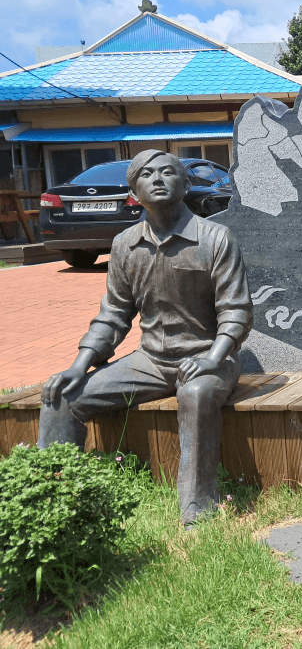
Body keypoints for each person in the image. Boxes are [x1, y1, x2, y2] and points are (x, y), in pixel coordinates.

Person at [38, 150, 253, 525]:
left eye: (168, 172)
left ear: (185, 185)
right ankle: (53, 503)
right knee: (63, 397)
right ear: (133, 192)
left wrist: (212, 359)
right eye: (146, 174)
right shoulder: (123, 245)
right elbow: (114, 314)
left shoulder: (216, 238)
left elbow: (236, 311)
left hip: (209, 358)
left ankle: (197, 509)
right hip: (150, 361)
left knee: (197, 393)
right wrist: (79, 365)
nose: (157, 178)